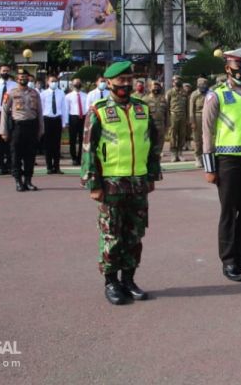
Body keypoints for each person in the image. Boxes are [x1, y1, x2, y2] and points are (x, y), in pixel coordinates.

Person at [82, 61, 163, 305]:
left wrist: (152, 175)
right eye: (120, 80)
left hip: (138, 182)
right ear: (108, 83)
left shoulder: (142, 108)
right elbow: (88, 150)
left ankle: (128, 279)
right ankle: (111, 282)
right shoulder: (98, 111)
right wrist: (94, 184)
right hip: (111, 184)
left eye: (129, 80)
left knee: (134, 235)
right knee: (112, 235)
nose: (125, 84)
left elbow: (152, 144)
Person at [201, 47, 241, 282]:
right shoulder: (216, 95)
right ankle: (229, 261)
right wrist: (209, 166)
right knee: (229, 211)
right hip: (227, 160)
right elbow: (206, 131)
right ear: (228, 68)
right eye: (239, 67)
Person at [0, 69, 44, 192]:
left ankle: (28, 181)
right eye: (20, 77)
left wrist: (41, 129)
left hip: (31, 126)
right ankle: (18, 181)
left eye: (25, 77)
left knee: (30, 155)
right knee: (16, 155)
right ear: (17, 79)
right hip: (17, 127)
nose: (22, 79)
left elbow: (40, 112)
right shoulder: (11, 93)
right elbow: (4, 111)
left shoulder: (34, 93)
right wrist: (3, 130)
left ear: (28, 78)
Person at [0, 65, 17, 175]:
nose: (5, 72)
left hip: (10, 114)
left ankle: (10, 164)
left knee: (10, 140)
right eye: (3, 70)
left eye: (7, 71)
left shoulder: (14, 85)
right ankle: (1, 166)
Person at [41, 75, 68, 174]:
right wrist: (41, 123)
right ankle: (49, 167)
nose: (54, 83)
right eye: (52, 81)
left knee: (56, 144)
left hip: (57, 119)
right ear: (48, 82)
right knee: (48, 144)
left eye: (55, 81)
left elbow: (64, 108)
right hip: (47, 119)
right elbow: (41, 109)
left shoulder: (61, 93)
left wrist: (64, 122)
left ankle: (57, 167)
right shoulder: (43, 94)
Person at [166, 76, 189, 162]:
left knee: (182, 135)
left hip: (183, 115)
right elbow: (167, 106)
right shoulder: (170, 92)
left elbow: (187, 106)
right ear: (173, 82)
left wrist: (188, 118)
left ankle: (180, 153)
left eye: (179, 80)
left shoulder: (184, 93)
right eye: (176, 80)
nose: (178, 82)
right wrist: (167, 118)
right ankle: (173, 153)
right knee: (173, 135)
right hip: (173, 115)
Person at [143, 81, 169, 158]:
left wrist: (167, 125)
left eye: (157, 87)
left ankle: (158, 159)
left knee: (160, 142)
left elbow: (166, 113)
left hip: (161, 124)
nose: (156, 89)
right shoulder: (145, 99)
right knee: (150, 143)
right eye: (154, 87)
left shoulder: (163, 99)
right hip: (151, 125)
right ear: (150, 88)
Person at [67, 78, 88, 165]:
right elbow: (66, 109)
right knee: (72, 139)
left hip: (83, 118)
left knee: (82, 139)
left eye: (79, 83)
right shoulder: (68, 96)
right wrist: (66, 121)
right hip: (73, 117)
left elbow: (87, 108)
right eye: (75, 83)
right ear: (72, 85)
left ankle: (80, 158)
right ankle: (73, 157)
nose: (77, 85)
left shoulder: (85, 95)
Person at [189, 78, 210, 168]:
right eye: (201, 84)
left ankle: (205, 156)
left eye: (205, 84)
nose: (203, 86)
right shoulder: (194, 94)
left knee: (208, 138)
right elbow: (191, 109)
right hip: (198, 116)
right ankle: (198, 157)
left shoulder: (209, 93)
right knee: (197, 139)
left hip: (208, 116)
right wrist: (192, 122)